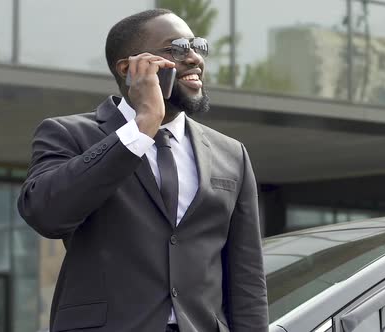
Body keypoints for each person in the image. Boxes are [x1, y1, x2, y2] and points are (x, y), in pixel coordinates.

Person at [17, 8, 268, 332]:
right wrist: (141, 127)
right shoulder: (67, 134)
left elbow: (247, 276)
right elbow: (46, 214)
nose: (193, 58)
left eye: (196, 46)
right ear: (128, 68)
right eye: (175, 48)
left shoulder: (231, 153)